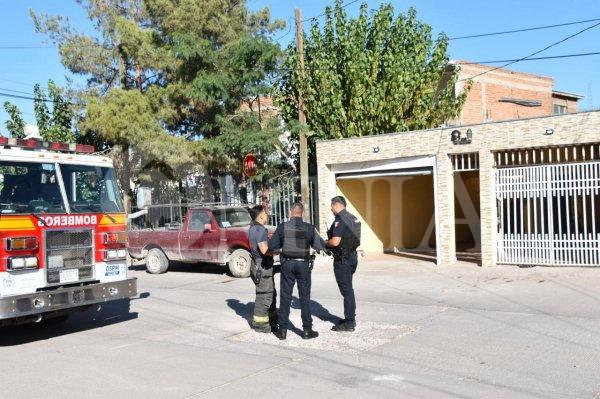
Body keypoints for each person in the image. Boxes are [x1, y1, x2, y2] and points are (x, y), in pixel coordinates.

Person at [268, 202, 326, 340]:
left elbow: (272, 246)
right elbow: (319, 246)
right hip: (303, 265)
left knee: (285, 297)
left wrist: (283, 246)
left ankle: (282, 331)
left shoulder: (282, 227)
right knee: (304, 298)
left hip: (287, 264)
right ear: (303, 213)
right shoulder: (309, 228)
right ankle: (307, 330)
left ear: (290, 213)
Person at [326, 196, 361, 332]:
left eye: (331, 206)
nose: (330, 209)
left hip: (343, 260)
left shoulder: (340, 220)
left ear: (337, 205)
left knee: (347, 291)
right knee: (348, 289)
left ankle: (349, 322)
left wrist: (325, 243)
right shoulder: (353, 218)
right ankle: (349, 318)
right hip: (352, 257)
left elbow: (335, 242)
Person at [248, 205, 278, 333]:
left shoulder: (253, 228)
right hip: (262, 266)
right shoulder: (259, 230)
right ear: (260, 215)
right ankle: (260, 324)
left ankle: (271, 319)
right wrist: (278, 252)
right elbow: (264, 250)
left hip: (258, 265)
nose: (267, 214)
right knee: (264, 295)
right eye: (265, 213)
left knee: (270, 293)